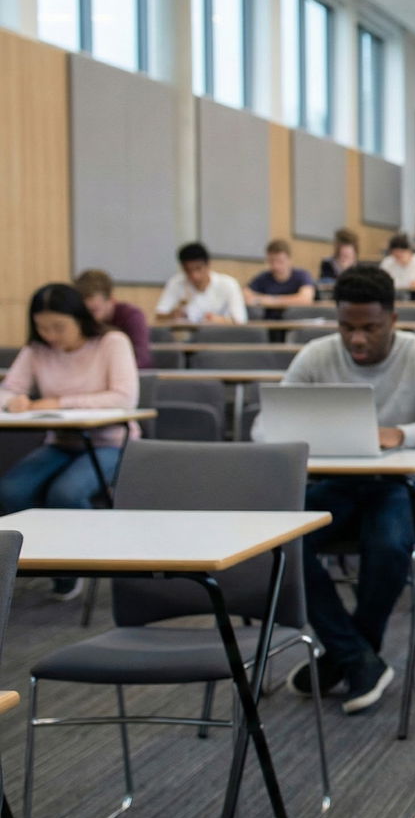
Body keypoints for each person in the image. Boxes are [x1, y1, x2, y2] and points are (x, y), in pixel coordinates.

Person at [262, 266, 415, 714]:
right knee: (280, 541)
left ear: (394, 319)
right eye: (347, 327)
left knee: (388, 544)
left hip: (406, 485)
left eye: (370, 328)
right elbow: (265, 427)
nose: (357, 339)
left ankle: (346, 657)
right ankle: (358, 658)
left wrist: (402, 435)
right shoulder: (317, 356)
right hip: (336, 482)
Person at [0, 284, 140, 601]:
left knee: (67, 492)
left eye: (58, 327)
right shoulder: (37, 349)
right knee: (11, 489)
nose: (50, 335)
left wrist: (56, 402)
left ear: (79, 318)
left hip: (112, 442)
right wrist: (14, 401)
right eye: (42, 327)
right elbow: (7, 389)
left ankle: (75, 565)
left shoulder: (111, 342)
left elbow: (124, 398)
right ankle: (44, 558)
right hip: (62, 442)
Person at [74, 269, 152, 369]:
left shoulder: (132, 316)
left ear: (110, 299)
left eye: (94, 310)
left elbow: (142, 359)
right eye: (85, 311)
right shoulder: (80, 319)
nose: (89, 317)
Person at [153, 242, 247, 324]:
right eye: (188, 271)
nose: (194, 275)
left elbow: (240, 320)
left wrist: (220, 320)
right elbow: (159, 316)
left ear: (208, 265)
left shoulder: (228, 284)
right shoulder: (177, 283)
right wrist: (172, 315)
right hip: (188, 339)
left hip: (222, 337)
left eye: (198, 269)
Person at [244, 239, 316, 318]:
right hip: (269, 323)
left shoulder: (302, 275)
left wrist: (270, 300)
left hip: (296, 323)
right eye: (271, 261)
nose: (275, 266)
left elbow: (305, 299)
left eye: (280, 261)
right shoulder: (263, 278)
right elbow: (245, 294)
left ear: (289, 260)